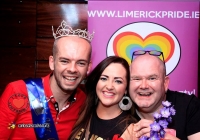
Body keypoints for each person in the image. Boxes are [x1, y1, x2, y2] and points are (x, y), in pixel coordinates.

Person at [0, 20, 94, 140]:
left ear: (88, 67)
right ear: (52, 62)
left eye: (81, 63)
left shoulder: (84, 102)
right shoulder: (18, 91)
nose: (72, 69)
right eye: (64, 61)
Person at [129, 50, 200, 140]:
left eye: (152, 78)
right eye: (136, 78)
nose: (143, 86)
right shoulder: (119, 111)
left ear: (165, 83)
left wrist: (161, 136)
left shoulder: (189, 106)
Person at [69, 56, 138, 140]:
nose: (109, 86)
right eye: (104, 78)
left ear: (126, 89)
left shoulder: (132, 130)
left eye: (118, 81)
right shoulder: (82, 110)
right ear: (96, 82)